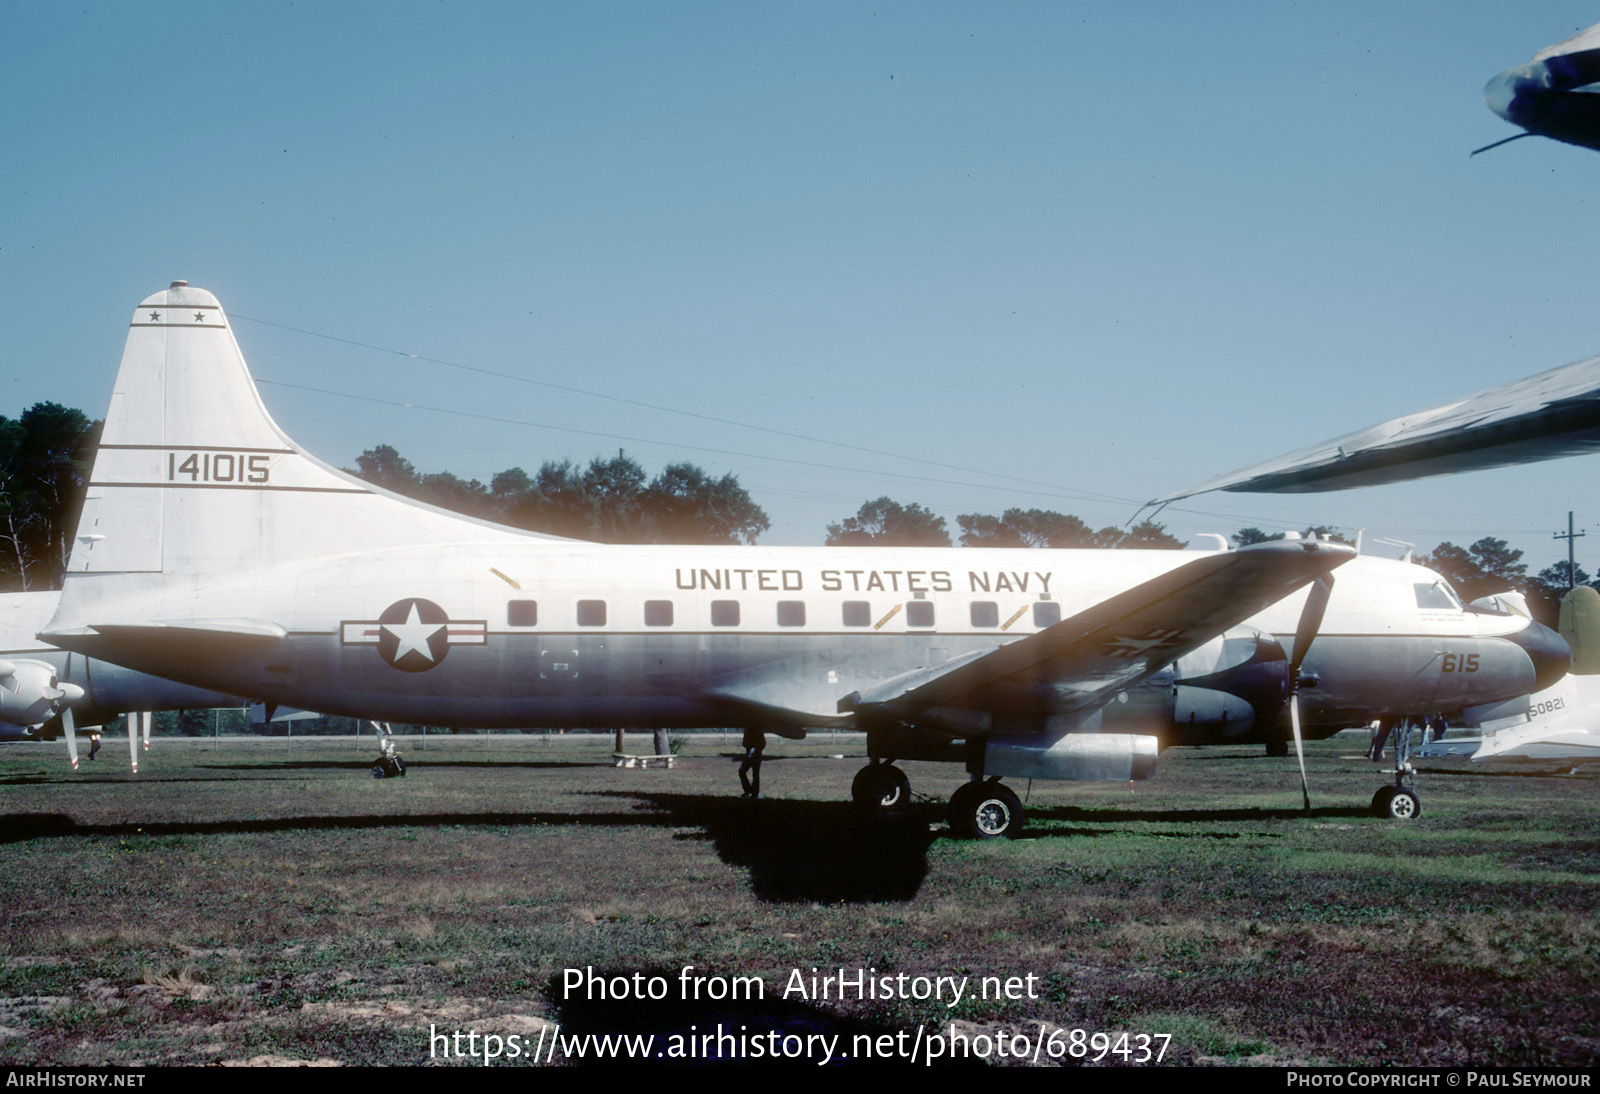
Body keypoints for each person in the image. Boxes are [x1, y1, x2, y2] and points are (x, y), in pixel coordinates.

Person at [738, 727, 765, 799]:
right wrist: (746, 744)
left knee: (755, 774)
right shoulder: (746, 729)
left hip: (756, 754)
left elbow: (763, 742)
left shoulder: (757, 728)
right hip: (749, 753)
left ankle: (755, 794)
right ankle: (748, 790)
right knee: (742, 771)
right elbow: (744, 742)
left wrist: (757, 749)